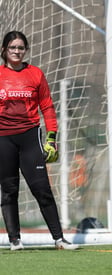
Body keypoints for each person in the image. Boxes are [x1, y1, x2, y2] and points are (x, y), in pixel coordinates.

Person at [0, 31, 78, 250]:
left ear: (26, 50)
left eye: (20, 48)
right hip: (3, 138)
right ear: (4, 49)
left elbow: (47, 106)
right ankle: (15, 240)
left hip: (30, 136)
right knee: (9, 189)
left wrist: (52, 137)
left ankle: (59, 239)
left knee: (41, 188)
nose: (16, 51)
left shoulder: (35, 74)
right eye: (12, 47)